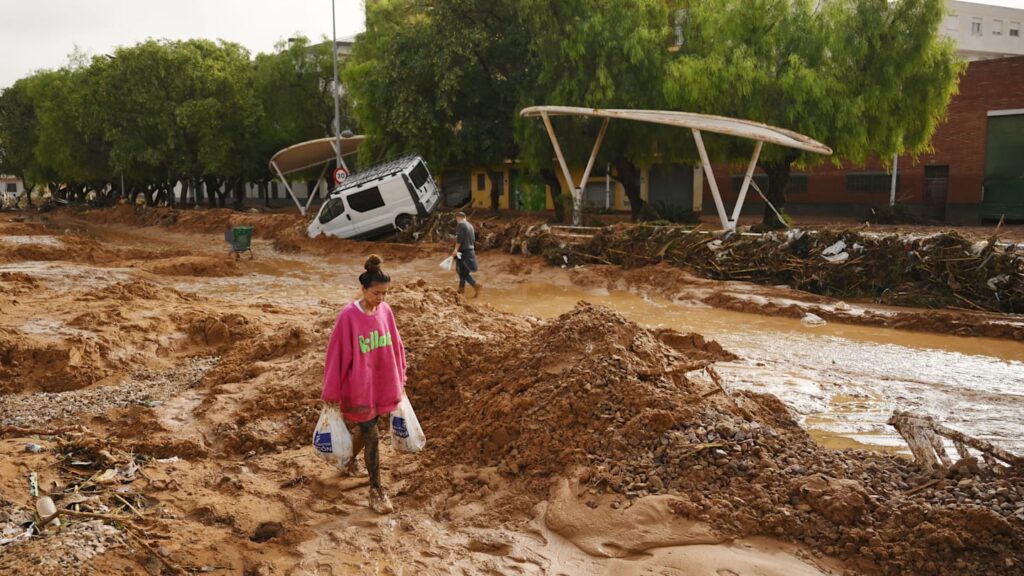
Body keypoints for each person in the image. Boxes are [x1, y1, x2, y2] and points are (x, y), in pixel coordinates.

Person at [320, 255, 406, 514]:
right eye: (376, 293)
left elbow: (396, 344)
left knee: (370, 427)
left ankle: (348, 461)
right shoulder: (348, 316)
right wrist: (331, 391)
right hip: (358, 386)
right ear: (363, 289)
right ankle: (376, 491)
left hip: (381, 382)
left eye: (385, 294)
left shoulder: (385, 311)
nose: (381, 298)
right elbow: (336, 355)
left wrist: (401, 375)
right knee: (372, 433)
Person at [451, 211, 481, 296]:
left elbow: (459, 239)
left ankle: (474, 284)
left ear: (458, 217)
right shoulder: (470, 225)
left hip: (463, 251)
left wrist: (456, 250)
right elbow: (473, 239)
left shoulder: (461, 224)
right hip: (470, 251)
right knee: (463, 271)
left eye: (456, 219)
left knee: (460, 271)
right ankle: (461, 290)